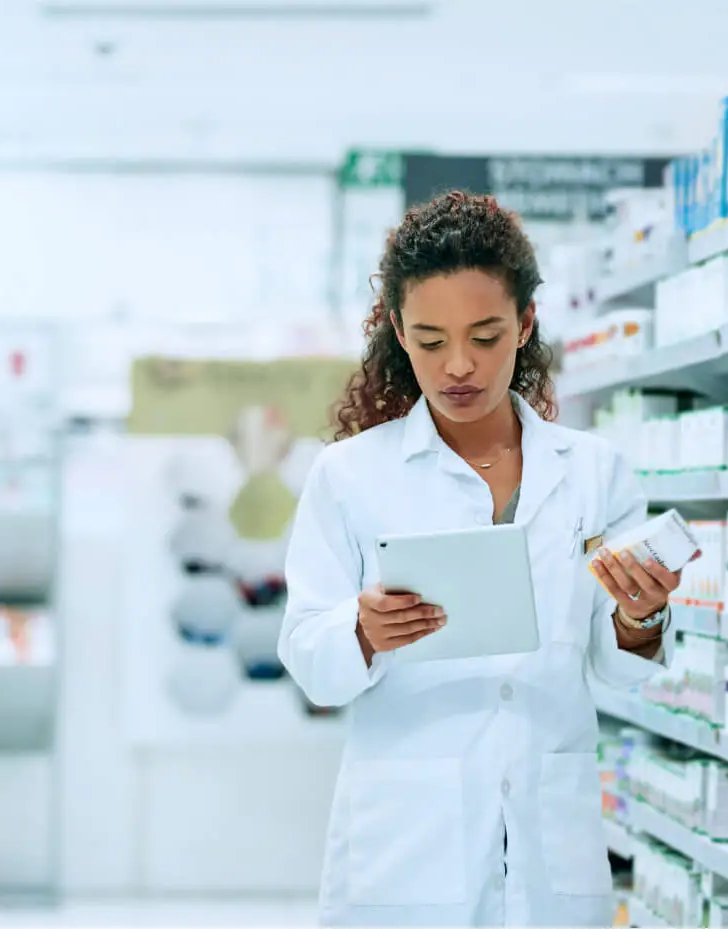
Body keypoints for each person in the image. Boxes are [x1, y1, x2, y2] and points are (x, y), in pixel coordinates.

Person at [278, 191, 689, 927]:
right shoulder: (348, 476)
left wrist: (639, 615)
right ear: (398, 330)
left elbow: (617, 663)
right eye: (431, 340)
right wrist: (364, 630)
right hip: (407, 841)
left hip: (549, 833)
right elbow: (309, 655)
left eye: (486, 335)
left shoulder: (596, 473)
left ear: (525, 324)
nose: (458, 365)